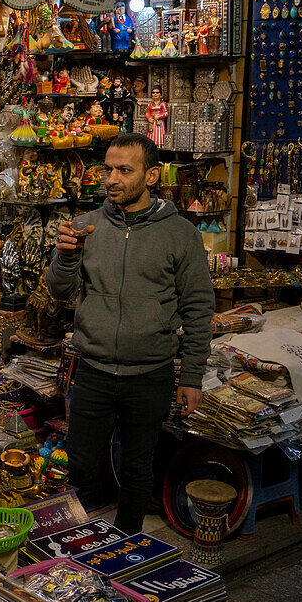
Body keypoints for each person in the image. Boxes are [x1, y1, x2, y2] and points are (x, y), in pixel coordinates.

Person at [46, 133, 214, 534]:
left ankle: (126, 547)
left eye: (125, 170)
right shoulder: (86, 227)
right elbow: (59, 290)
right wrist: (66, 256)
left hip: (150, 374)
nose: (112, 179)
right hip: (94, 369)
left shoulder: (179, 234)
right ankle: (70, 547)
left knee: (138, 469)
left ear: (151, 175)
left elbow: (198, 309)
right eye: (108, 169)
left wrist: (190, 377)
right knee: (79, 463)